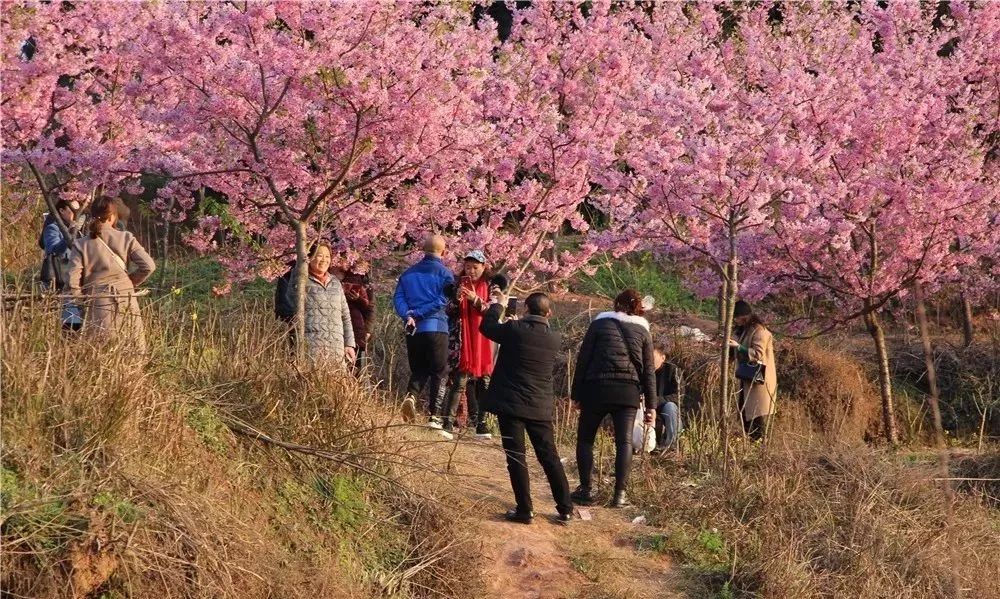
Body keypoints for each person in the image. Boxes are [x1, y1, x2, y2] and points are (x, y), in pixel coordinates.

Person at [480, 290, 573, 524]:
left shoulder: (514, 330)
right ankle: (566, 508)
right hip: (540, 406)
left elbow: (487, 327)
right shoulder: (555, 338)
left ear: (525, 310)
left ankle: (525, 509)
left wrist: (498, 305)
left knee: (516, 457)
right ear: (549, 313)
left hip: (511, 404)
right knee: (549, 456)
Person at [571, 289, 657, 508]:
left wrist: (576, 394)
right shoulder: (643, 331)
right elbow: (648, 371)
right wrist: (651, 406)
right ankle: (619, 495)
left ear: (615, 304)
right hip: (627, 392)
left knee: (586, 439)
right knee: (624, 442)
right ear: (639, 308)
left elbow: (583, 360)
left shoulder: (599, 324)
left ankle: (585, 490)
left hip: (596, 389)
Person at [66, 196, 155, 351]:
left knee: (100, 354)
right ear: (113, 216)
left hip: (98, 302)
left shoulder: (80, 245)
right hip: (127, 299)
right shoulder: (126, 237)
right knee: (132, 351)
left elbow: (72, 280)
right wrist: (131, 281)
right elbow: (149, 266)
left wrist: (81, 301)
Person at [393, 234, 454, 425]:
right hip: (436, 327)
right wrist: (420, 313)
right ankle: (434, 416)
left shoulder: (408, 274)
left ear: (423, 250)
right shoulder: (445, 274)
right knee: (439, 371)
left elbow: (398, 299)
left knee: (419, 369)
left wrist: (408, 315)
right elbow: (443, 300)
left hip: (413, 329)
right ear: (444, 252)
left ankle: (410, 396)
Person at [437, 250, 494, 437]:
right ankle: (447, 422)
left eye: (475, 267)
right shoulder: (457, 285)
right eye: (467, 267)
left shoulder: (491, 286)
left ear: (483, 267)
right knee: (460, 380)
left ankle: (481, 424)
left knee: (484, 382)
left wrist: (475, 299)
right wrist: (457, 298)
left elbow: (493, 310)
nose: (470, 271)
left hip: (484, 339)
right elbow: (449, 310)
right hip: (463, 339)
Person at [288, 243, 356, 365]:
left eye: (327, 256)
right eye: (319, 255)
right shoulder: (301, 279)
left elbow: (345, 316)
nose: (324, 260)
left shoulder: (335, 282)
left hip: (336, 346)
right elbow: (290, 302)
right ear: (310, 257)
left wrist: (349, 344)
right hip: (311, 344)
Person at [728, 300, 777, 441]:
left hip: (759, 380)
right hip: (748, 378)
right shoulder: (746, 330)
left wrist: (738, 347)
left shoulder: (760, 331)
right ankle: (752, 443)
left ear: (743, 315)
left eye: (736, 318)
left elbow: (757, 354)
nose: (735, 321)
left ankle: (758, 445)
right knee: (745, 413)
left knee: (756, 415)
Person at [40, 199, 84, 331]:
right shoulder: (53, 228)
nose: (74, 215)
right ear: (61, 211)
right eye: (71, 211)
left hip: (75, 275)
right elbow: (52, 249)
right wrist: (68, 235)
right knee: (69, 315)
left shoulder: (78, 229)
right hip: (60, 276)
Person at [332, 260, 376, 371]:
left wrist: (368, 330)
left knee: (355, 369)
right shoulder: (326, 274)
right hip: (333, 329)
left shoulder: (361, 277)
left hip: (357, 329)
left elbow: (370, 307)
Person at [652, 348, 682, 452]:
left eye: (653, 358)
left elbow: (679, 396)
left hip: (667, 408)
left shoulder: (673, 371)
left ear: (663, 358)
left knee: (670, 406)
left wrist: (658, 400)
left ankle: (672, 445)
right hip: (650, 408)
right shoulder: (644, 372)